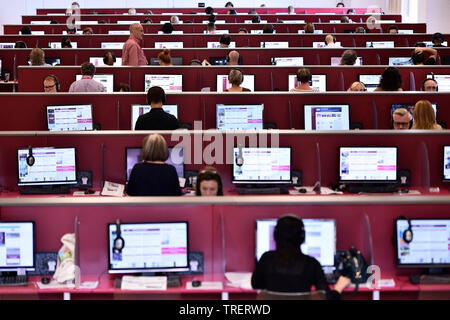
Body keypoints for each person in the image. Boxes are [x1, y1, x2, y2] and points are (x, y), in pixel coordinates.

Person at [251, 215, 351, 299]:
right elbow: (327, 297)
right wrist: (338, 288)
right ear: (302, 237)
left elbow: (256, 284)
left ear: (275, 236)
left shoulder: (266, 259)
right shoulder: (311, 264)